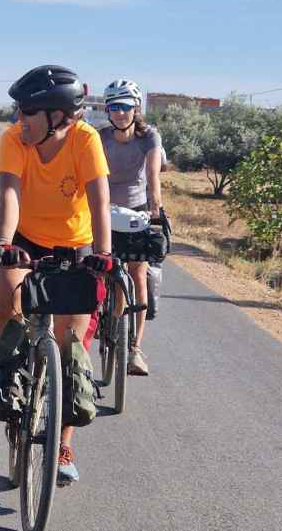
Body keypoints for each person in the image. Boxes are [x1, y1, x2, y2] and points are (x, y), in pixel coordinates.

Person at [0, 65, 111, 485]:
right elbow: (10, 192)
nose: (20, 120)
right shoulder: (14, 139)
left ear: (57, 116)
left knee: (71, 346)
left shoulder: (85, 139)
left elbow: (99, 201)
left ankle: (62, 442)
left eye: (28, 113)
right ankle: (4, 362)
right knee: (4, 287)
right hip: (23, 236)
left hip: (75, 245)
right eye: (19, 111)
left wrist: (103, 253)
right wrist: (5, 244)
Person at [99, 79, 164, 375]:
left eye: (125, 106)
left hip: (137, 211)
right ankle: (106, 319)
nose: (120, 112)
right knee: (103, 268)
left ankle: (135, 348)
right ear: (108, 110)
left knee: (138, 273)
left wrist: (155, 211)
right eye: (114, 106)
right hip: (104, 211)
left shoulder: (149, 136)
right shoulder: (101, 137)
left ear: (136, 108)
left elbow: (153, 177)